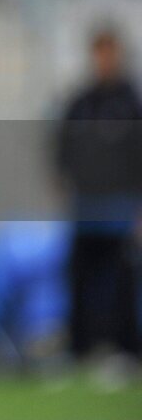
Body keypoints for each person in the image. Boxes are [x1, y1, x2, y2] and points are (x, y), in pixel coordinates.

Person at [56, 24, 142, 363]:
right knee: (80, 279)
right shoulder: (81, 101)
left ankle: (125, 350)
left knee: (122, 279)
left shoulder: (131, 102)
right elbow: (63, 149)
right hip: (86, 206)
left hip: (120, 207)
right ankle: (79, 349)